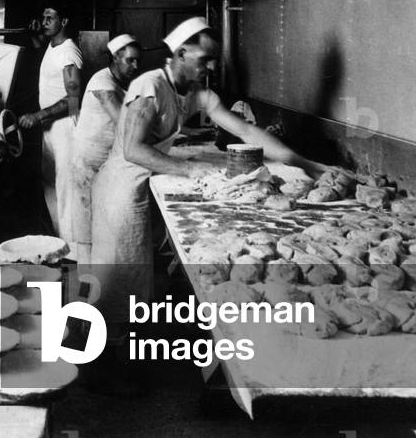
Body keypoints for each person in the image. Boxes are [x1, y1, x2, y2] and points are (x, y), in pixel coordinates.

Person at [90, 17, 330, 332]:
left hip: (140, 184)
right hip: (118, 189)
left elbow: (245, 131)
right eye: (205, 60)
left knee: (135, 276)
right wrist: (192, 169)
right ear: (180, 54)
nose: (211, 67)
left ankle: (126, 341)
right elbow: (132, 150)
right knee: (116, 277)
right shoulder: (150, 85)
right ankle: (108, 358)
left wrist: (306, 163)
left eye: (213, 60)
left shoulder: (197, 93)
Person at [69, 34, 141, 265]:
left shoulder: (120, 83)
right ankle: (85, 284)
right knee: (85, 225)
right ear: (115, 58)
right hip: (87, 162)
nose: (136, 66)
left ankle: (101, 281)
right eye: (130, 60)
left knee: (100, 223)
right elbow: (123, 120)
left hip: (104, 163)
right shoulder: (102, 83)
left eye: (137, 60)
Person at [18, 4, 83, 247]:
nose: (44, 21)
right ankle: (60, 243)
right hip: (50, 130)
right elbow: (39, 51)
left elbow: (73, 99)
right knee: (50, 186)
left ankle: (73, 250)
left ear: (64, 21)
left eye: (50, 18)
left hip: (66, 129)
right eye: (42, 16)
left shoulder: (69, 52)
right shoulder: (52, 45)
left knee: (66, 192)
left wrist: (37, 115)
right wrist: (33, 33)